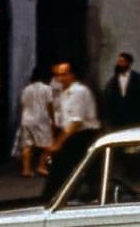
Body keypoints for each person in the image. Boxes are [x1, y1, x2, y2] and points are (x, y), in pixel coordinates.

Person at [42, 62, 100, 200]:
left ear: (72, 75)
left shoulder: (79, 91)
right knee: (72, 168)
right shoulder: (63, 93)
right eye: (57, 75)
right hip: (71, 134)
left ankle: (54, 197)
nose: (60, 79)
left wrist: (58, 143)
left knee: (63, 167)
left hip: (82, 135)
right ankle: (64, 196)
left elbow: (76, 122)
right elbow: (61, 119)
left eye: (64, 74)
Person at [16, 67, 56, 177]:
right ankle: (41, 167)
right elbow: (50, 105)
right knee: (48, 144)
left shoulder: (26, 89)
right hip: (41, 119)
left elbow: (22, 106)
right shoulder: (47, 89)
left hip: (27, 119)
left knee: (27, 145)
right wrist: (53, 119)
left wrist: (21, 119)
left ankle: (26, 170)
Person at [100, 51, 140, 129]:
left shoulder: (138, 79)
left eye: (122, 61)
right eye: (118, 61)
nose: (119, 64)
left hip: (134, 118)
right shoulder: (113, 81)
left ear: (128, 63)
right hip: (118, 120)